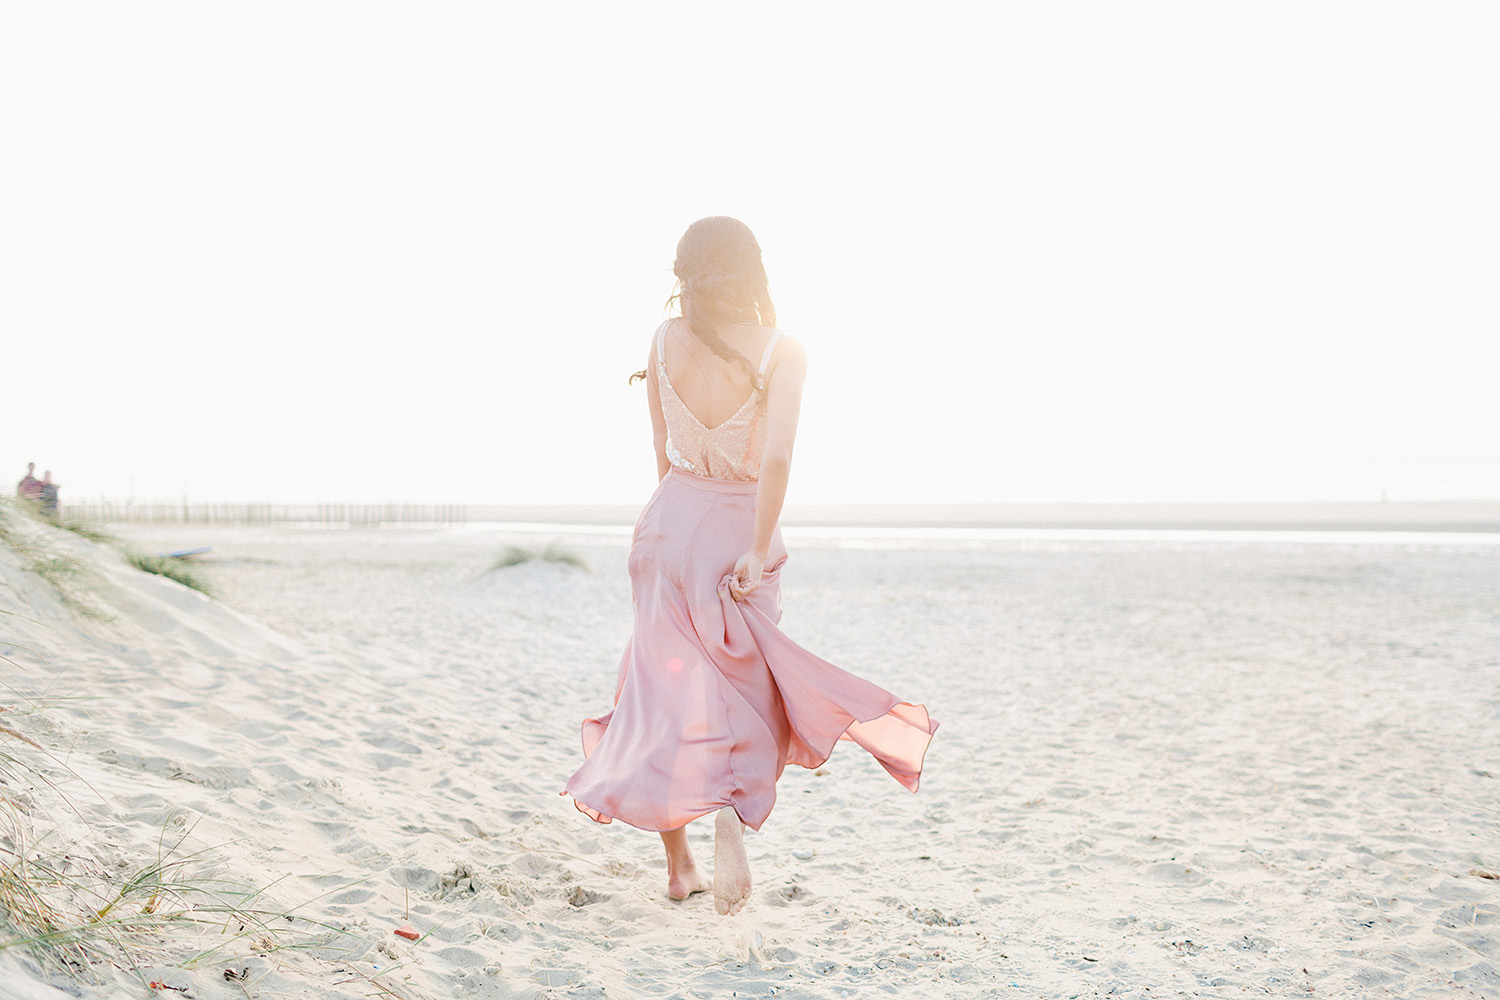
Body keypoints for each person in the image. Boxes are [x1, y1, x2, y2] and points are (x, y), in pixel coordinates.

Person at [564, 217, 938, 916]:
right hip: (737, 532)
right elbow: (777, 460)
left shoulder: (660, 340)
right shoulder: (782, 351)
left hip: (663, 525)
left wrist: (669, 531)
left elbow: (660, 447)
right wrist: (758, 550)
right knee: (752, 692)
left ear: (685, 274)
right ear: (752, 271)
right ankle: (732, 814)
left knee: (656, 696)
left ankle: (678, 870)